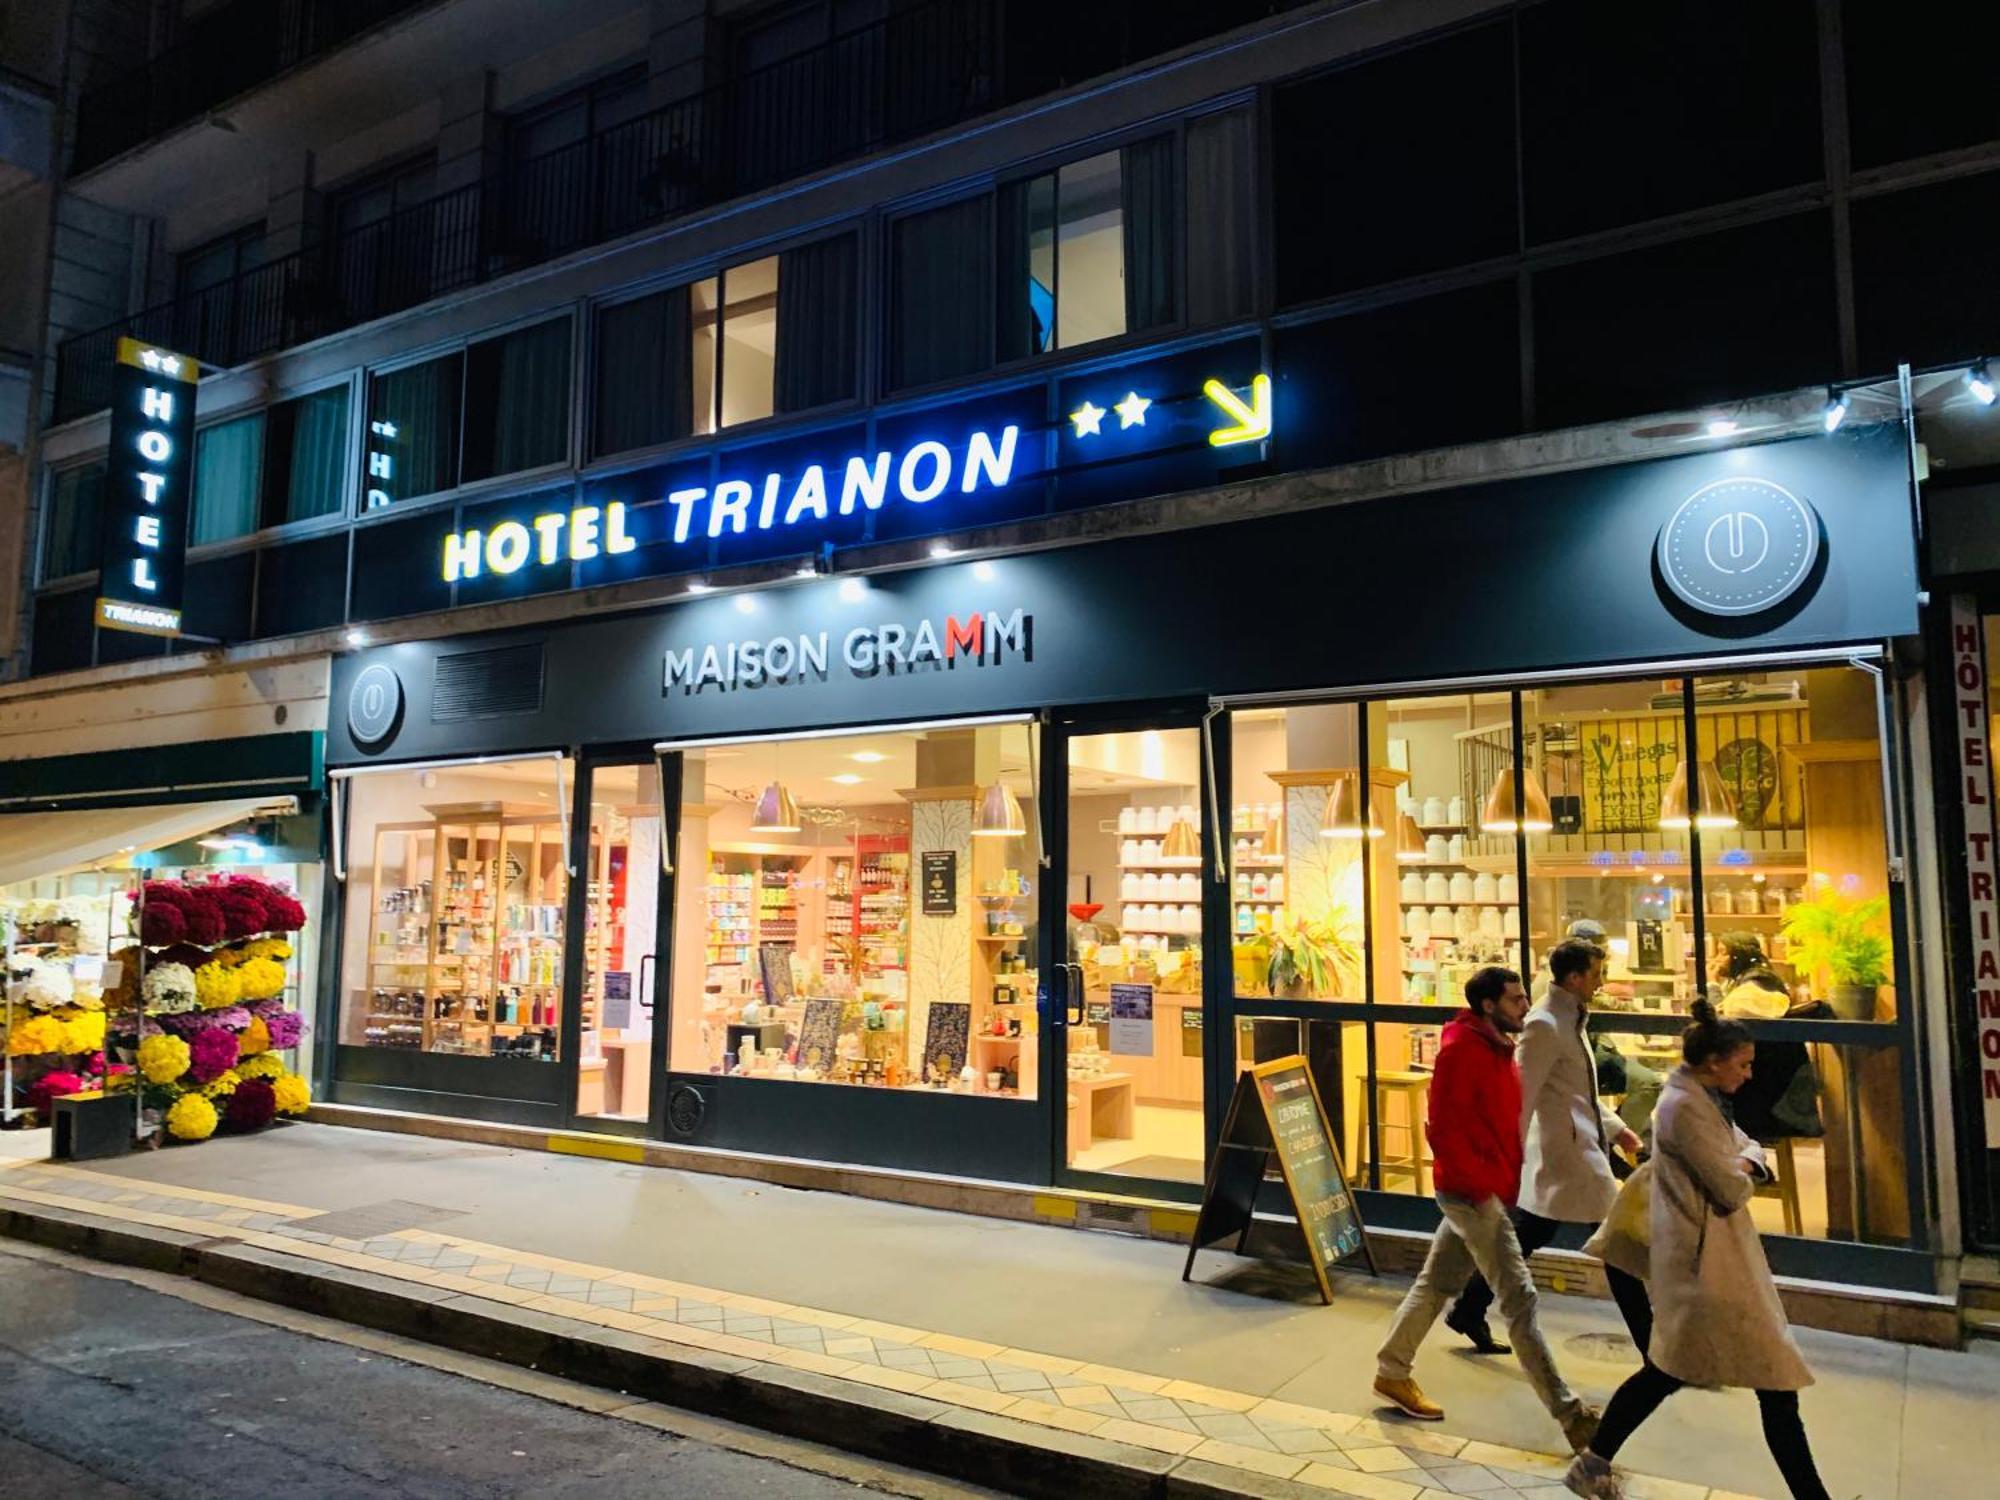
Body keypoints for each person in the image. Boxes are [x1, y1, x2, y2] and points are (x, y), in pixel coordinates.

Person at [1564, 1001, 1831, 1500]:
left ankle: (1592, 1463)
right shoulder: (1685, 1107)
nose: (1749, 1074)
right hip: (1707, 1268)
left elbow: (1742, 1146)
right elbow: (1729, 1184)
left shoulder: (1698, 1099)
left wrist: (1744, 1158)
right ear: (1713, 1062)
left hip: (1711, 1263)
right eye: (1743, 1064)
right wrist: (1748, 1164)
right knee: (1764, 1383)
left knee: (1676, 1375)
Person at [1374, 966, 1599, 1454]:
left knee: (1436, 1284)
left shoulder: (1499, 1048)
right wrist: (1478, 1186)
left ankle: (1392, 1370)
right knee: (1519, 1297)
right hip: (1471, 1193)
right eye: (1516, 1000)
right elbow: (1445, 1127)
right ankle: (1571, 1415)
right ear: (1489, 1005)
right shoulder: (1462, 1051)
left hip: (1486, 1189)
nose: (1525, 1006)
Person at [1446, 939, 1651, 1359]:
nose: (1601, 981)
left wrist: (1618, 1131)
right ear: (1574, 977)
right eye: (1596, 973)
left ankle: (1468, 1308)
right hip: (1568, 1156)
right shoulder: (1546, 1024)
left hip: (1573, 1151)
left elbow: (1576, 1093)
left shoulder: (1567, 1018)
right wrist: (1507, 1158)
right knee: (1616, 1247)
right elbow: (1520, 1097)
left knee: (1529, 1235)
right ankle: (1656, 1350)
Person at [1709, 933, 1791, 1019]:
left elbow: (1723, 1018)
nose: (1717, 959)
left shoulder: (1757, 982)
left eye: (1722, 952)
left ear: (1738, 956)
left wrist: (1712, 983)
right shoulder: (1739, 980)